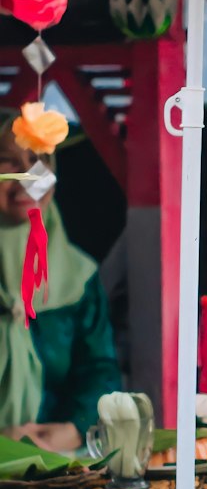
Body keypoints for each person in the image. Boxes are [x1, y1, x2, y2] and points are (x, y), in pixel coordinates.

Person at [0, 119, 121, 451]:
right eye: (7, 161)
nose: (28, 177)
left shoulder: (77, 276)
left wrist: (74, 428)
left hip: (57, 467)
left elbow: (99, 369)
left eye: (39, 160)